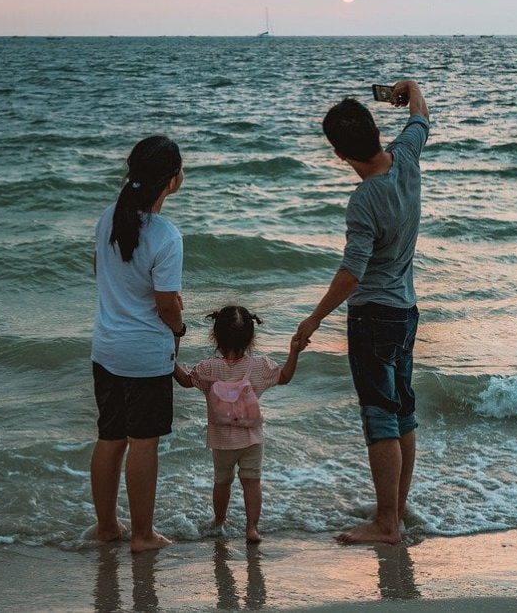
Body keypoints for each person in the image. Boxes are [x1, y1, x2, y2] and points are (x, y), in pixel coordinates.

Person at [294, 80, 430, 545]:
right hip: (407, 310)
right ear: (376, 129)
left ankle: (386, 523)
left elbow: (352, 272)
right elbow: (419, 112)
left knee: (380, 417)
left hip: (373, 314)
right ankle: (396, 507)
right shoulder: (407, 157)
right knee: (403, 411)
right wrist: (404, 89)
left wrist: (313, 319)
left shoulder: (364, 199)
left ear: (338, 154)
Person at [90, 135, 186, 553]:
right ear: (172, 181)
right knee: (144, 443)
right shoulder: (166, 235)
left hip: (106, 348)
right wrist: (180, 329)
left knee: (111, 439)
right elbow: (166, 304)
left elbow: (100, 269)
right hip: (145, 355)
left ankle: (107, 527)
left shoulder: (108, 217)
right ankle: (143, 536)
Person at [174, 306, 301, 543]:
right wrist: (294, 351)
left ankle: (219, 521)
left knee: (222, 481)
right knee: (251, 482)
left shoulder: (208, 368)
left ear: (215, 336)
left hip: (222, 441)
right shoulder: (259, 366)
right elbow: (284, 377)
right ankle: (252, 528)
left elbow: (184, 380)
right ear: (251, 338)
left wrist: (169, 356)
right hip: (252, 439)